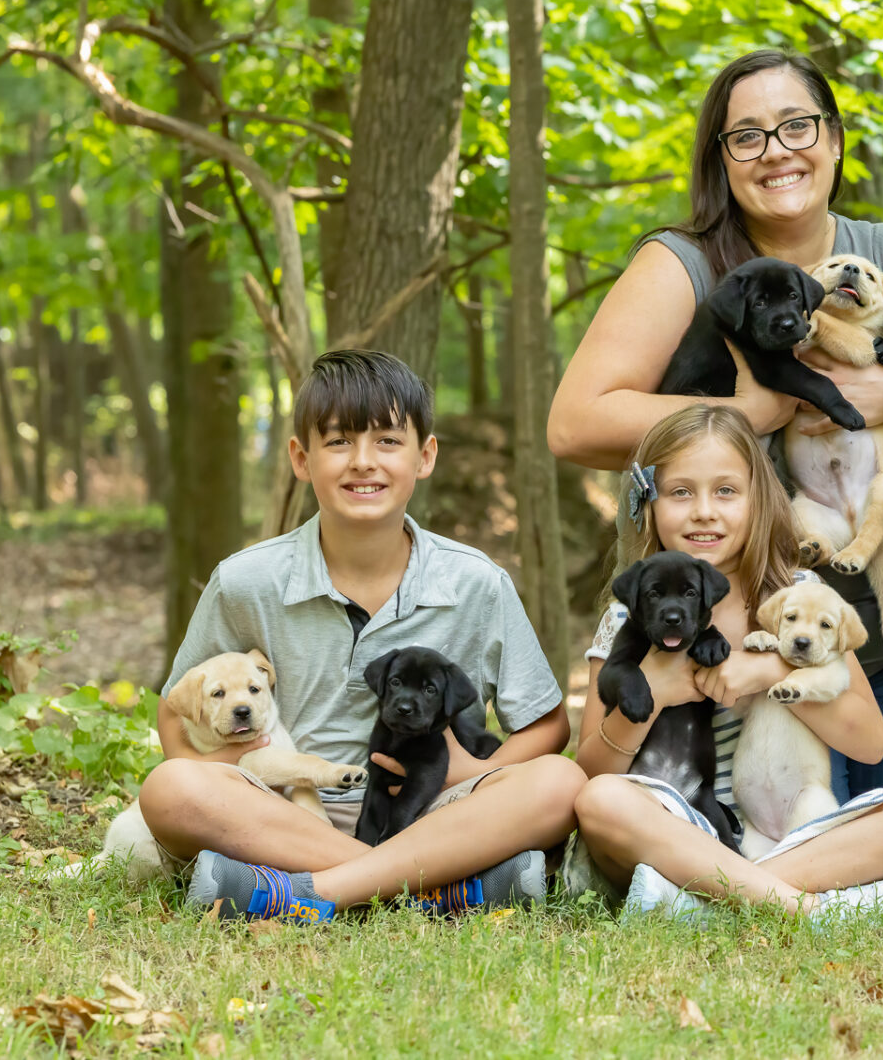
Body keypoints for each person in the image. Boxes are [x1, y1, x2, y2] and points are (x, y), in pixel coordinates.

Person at [548, 49, 883, 798]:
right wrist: (752, 413)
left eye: (797, 126)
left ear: (835, 140)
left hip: (868, 623)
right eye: (747, 136)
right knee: (718, 814)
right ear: (721, 159)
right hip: (711, 620)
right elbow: (576, 423)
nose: (776, 152)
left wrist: (881, 394)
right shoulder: (683, 263)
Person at [139, 350, 585, 922]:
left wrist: (469, 774)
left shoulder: (476, 582)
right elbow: (175, 715)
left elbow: (547, 725)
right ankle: (430, 889)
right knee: (170, 789)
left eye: (387, 442)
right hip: (285, 811)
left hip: (432, 811)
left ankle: (299, 892)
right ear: (302, 458)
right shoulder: (246, 581)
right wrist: (226, 769)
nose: (363, 462)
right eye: (339, 442)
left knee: (560, 781)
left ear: (425, 456)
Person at [564, 404, 883, 917]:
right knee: (601, 803)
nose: (704, 511)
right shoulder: (628, 618)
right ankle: (812, 909)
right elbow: (593, 773)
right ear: (649, 503)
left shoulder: (801, 599)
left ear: (759, 501)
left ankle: (710, 907)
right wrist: (656, 689)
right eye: (681, 491)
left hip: (794, 836)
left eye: (726, 491)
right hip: (671, 835)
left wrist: (775, 669)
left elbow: (870, 741)